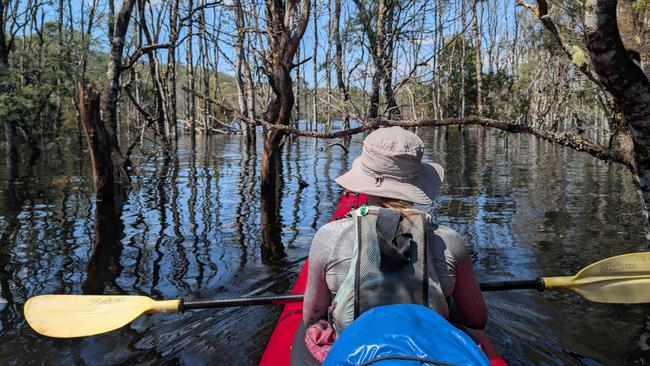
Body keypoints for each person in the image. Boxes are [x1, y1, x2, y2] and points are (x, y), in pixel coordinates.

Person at [297, 127, 487, 363]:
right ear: (417, 181)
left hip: (357, 354)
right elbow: (476, 319)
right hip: (429, 352)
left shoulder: (329, 237)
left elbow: (312, 317)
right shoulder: (449, 241)